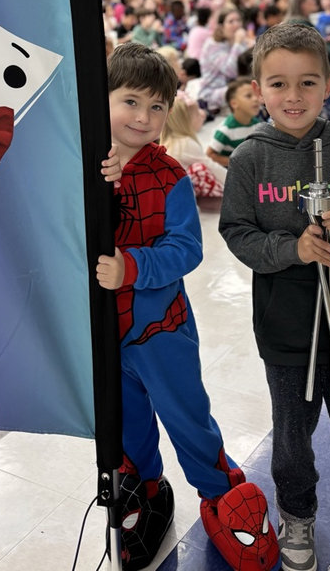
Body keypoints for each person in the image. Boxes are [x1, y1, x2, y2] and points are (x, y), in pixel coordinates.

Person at [218, 23, 330, 571]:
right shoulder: (250, 160)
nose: (292, 97)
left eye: (307, 83)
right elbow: (237, 233)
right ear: (258, 88)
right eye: (277, 84)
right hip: (286, 327)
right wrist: (292, 248)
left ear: (328, 85)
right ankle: (295, 515)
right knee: (292, 440)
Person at [97, 43, 279, 571]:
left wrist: (130, 268)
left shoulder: (170, 175)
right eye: (130, 102)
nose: (143, 118)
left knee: (186, 416)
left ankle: (222, 493)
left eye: (156, 107)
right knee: (126, 421)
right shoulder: (86, 165)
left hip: (161, 330)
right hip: (106, 333)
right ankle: (146, 489)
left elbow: (186, 249)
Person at [161, 92, 224, 195]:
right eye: (197, 114)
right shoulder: (185, 144)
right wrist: (234, 181)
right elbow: (212, 166)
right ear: (186, 120)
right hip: (178, 195)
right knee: (200, 169)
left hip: (168, 194)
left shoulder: (170, 143)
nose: (202, 115)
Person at [199, 9, 255, 113]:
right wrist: (237, 43)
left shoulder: (239, 42)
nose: (236, 24)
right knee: (244, 91)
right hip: (212, 92)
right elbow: (231, 70)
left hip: (232, 86)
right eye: (231, 21)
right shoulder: (212, 45)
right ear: (221, 26)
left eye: (238, 20)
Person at [207, 77, 261, 170]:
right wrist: (236, 162)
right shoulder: (225, 130)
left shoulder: (258, 125)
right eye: (248, 96)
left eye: (256, 95)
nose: (256, 99)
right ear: (234, 104)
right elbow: (210, 155)